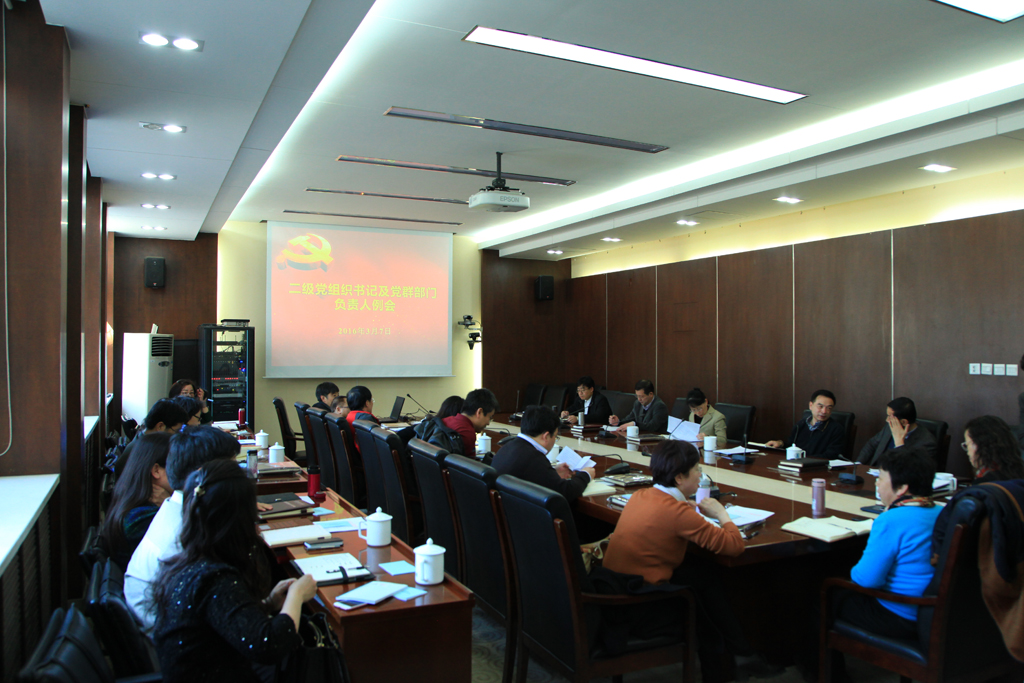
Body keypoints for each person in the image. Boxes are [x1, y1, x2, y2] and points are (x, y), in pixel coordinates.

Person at [603, 440, 775, 682]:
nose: (701, 476)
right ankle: (733, 662)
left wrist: (685, 507)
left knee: (702, 577)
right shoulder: (678, 513)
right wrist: (721, 514)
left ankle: (739, 657)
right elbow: (734, 546)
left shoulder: (641, 495)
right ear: (679, 478)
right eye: (697, 470)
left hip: (615, 592)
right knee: (702, 604)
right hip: (640, 608)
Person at [150, 459, 317, 682]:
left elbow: (224, 618)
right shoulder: (215, 579)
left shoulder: (187, 563)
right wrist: (297, 596)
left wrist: (268, 604)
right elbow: (270, 646)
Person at [816, 447, 940, 680]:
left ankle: (829, 675)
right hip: (935, 613)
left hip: (899, 614)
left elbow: (866, 580)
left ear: (902, 488)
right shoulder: (943, 511)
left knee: (820, 595)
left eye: (881, 478)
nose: (877, 483)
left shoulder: (891, 519)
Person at [125, 425, 242, 632]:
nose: (239, 476)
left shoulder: (173, 506)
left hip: (167, 622)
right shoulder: (186, 535)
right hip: (176, 635)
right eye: (231, 468)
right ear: (201, 475)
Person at [100, 432, 173, 569]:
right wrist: (170, 506)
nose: (184, 473)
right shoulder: (141, 517)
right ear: (156, 470)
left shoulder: (132, 497)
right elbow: (190, 548)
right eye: (178, 465)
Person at [492, 406, 595, 501]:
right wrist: (586, 475)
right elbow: (566, 491)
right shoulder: (534, 457)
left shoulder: (508, 446)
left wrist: (552, 472)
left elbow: (534, 474)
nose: (554, 440)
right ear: (546, 436)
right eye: (555, 437)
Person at [115, 399, 189, 476]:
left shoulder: (147, 443)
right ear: (160, 426)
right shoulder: (141, 456)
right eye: (176, 431)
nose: (177, 436)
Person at [766, 389, 847, 459]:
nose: (824, 411)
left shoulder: (836, 429)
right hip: (796, 465)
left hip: (818, 468)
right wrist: (781, 444)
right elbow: (792, 446)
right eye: (820, 406)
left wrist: (804, 460)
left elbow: (831, 455)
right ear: (811, 405)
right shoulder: (800, 425)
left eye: (829, 408)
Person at [857, 397, 937, 466]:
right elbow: (871, 444)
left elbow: (913, 470)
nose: (887, 420)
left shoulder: (927, 442)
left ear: (904, 422)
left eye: (890, 417)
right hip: (877, 471)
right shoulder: (889, 427)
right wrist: (858, 464)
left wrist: (899, 443)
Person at [962, 415, 1024, 484]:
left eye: (967, 445)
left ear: (978, 445)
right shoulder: (1018, 473)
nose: (967, 453)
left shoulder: (985, 483)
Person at [442, 388, 499, 457]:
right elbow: (469, 463)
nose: (488, 423)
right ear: (479, 412)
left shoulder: (445, 420)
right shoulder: (467, 432)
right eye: (490, 417)